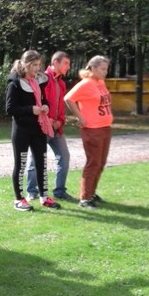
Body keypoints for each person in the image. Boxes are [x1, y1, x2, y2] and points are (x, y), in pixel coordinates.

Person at [6, 50, 60, 211]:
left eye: (39, 65)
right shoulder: (15, 84)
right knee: (21, 165)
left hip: (39, 129)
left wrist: (45, 106)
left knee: (41, 163)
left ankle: (44, 197)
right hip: (21, 130)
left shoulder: (38, 82)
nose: (38, 68)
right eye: (35, 65)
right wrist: (31, 109)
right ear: (26, 65)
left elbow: (44, 100)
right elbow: (10, 109)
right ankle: (19, 199)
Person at [25, 51, 75, 202]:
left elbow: (60, 107)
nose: (68, 66)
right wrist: (48, 119)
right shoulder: (42, 79)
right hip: (42, 127)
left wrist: (60, 121)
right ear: (55, 63)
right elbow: (38, 102)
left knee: (64, 157)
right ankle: (32, 191)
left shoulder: (61, 83)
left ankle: (59, 191)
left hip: (57, 128)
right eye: (66, 63)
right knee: (36, 159)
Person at [64, 55, 113, 210]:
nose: (105, 72)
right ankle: (85, 199)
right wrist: (80, 118)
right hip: (93, 129)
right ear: (93, 68)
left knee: (100, 163)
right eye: (103, 69)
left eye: (106, 69)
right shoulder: (86, 83)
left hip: (105, 127)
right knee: (93, 163)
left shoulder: (100, 82)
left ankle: (91, 193)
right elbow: (68, 98)